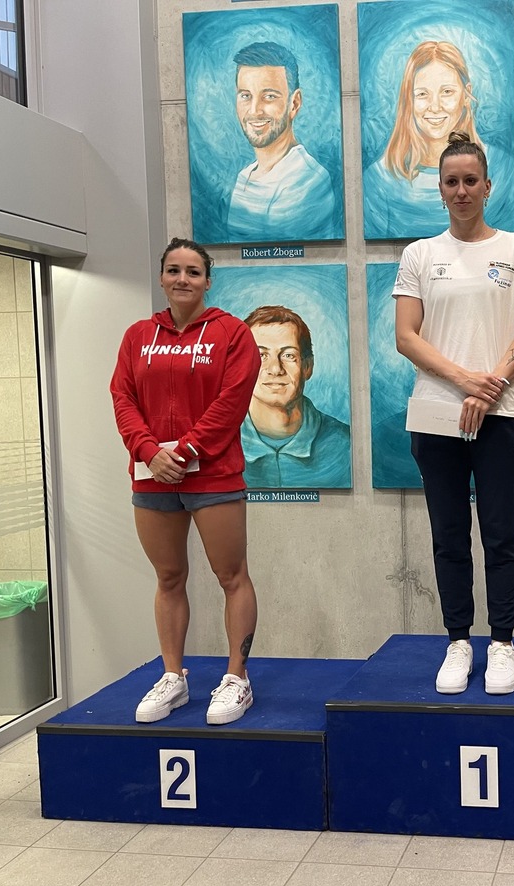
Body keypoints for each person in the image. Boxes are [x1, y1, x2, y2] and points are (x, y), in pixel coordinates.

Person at [394, 131, 514, 695]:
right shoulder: (419, 255)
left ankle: (502, 642)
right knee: (449, 534)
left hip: (502, 413)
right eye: (451, 182)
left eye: (471, 181)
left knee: (502, 533)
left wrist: (490, 389)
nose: (461, 190)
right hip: (437, 415)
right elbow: (406, 337)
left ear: (488, 186)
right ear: (440, 190)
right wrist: (465, 383)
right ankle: (458, 641)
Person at [110, 238, 260, 726]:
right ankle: (173, 677)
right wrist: (150, 452)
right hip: (153, 477)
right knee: (169, 577)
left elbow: (231, 402)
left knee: (231, 576)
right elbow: (122, 397)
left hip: (212, 474)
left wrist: (186, 451)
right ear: (161, 278)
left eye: (193, 272)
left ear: (208, 281)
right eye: (173, 270)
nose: (182, 279)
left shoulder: (232, 334)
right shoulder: (138, 336)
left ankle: (237, 678)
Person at [364, 41, 514, 239]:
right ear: (408, 100)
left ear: (466, 94)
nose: (435, 107)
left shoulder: (504, 169)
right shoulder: (379, 178)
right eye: (422, 94)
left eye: (447, 92)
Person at [227, 41, 335, 242]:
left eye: (269, 96)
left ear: (294, 103)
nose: (254, 111)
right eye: (245, 96)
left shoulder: (307, 182)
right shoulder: (245, 177)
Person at [240, 305, 351, 489]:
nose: (275, 369)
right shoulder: (219, 442)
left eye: (288, 355)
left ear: (307, 367)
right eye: (261, 355)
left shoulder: (345, 444)